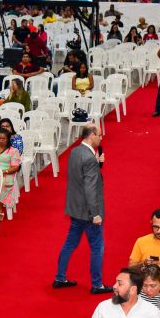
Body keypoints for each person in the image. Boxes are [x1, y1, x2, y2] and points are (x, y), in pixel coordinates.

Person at [53, 125, 110, 293]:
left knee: (70, 244)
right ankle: (97, 284)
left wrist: (97, 166)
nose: (101, 137)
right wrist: (96, 214)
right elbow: (90, 188)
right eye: (99, 134)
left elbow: (79, 178)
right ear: (92, 135)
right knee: (97, 247)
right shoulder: (89, 158)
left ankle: (60, 277)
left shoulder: (75, 151)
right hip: (88, 212)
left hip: (75, 209)